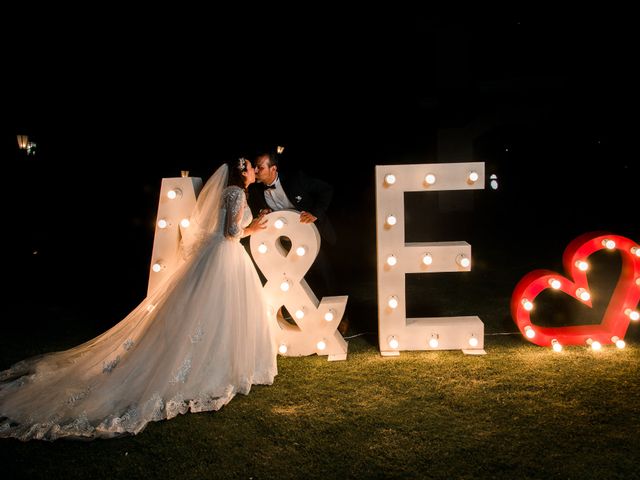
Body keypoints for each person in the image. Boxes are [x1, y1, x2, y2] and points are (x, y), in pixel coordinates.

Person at [0, 158, 276, 441]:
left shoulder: (230, 192)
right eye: (252, 167)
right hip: (225, 256)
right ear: (243, 173)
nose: (255, 170)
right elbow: (231, 233)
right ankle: (217, 364)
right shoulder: (237, 193)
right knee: (221, 312)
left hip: (217, 257)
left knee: (208, 312)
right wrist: (252, 228)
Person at [248, 149, 349, 334]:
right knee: (287, 277)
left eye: (260, 167)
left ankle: (341, 318)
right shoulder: (255, 189)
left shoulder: (296, 179)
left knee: (326, 275)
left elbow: (326, 190)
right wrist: (263, 212)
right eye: (254, 167)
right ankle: (291, 317)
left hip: (311, 236)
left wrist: (315, 214)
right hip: (282, 242)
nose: (255, 170)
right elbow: (258, 209)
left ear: (273, 169)